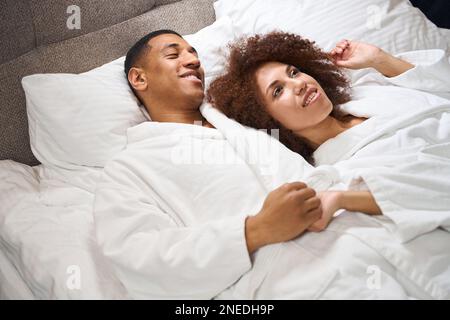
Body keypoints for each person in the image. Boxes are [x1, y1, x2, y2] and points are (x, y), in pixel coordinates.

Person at [94, 29, 324, 299]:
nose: (193, 60)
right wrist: (255, 230)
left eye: (194, 53)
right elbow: (139, 258)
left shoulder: (237, 114)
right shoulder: (128, 170)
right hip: (281, 283)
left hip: (338, 223)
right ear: (139, 78)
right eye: (173, 54)